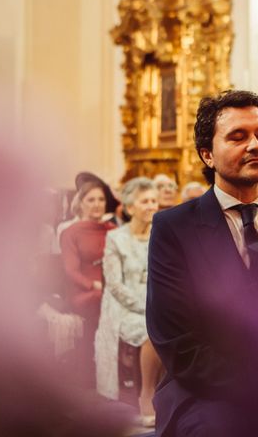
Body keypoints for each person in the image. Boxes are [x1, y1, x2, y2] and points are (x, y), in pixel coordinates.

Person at [146, 90, 258, 436]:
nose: (255, 145)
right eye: (238, 137)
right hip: (203, 393)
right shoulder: (174, 229)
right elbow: (176, 342)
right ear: (208, 154)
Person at [95, 177, 163, 426]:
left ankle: (172, 397)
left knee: (178, 328)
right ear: (130, 207)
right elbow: (114, 285)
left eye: (154, 201)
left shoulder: (161, 235)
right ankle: (147, 394)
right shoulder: (117, 239)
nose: (152, 206)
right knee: (152, 331)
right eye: (145, 201)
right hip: (124, 308)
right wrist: (146, 307)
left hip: (158, 303)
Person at [60, 181, 116, 386]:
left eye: (101, 199)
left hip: (112, 288)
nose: (97, 204)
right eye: (91, 199)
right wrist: (94, 285)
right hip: (83, 291)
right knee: (104, 300)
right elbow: (71, 271)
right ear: (80, 203)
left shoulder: (113, 229)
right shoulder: (71, 232)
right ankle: (97, 372)